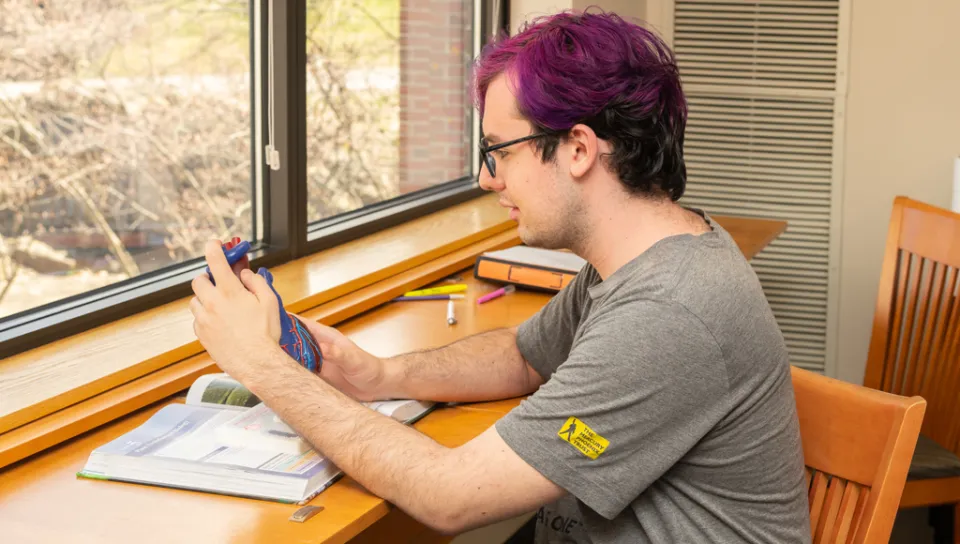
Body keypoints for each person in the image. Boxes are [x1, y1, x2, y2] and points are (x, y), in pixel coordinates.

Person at [189, 9, 811, 543]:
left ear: (576, 149)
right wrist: (378, 376)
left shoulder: (670, 314)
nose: (488, 178)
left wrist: (259, 366)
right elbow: (523, 355)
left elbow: (448, 496)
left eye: (499, 152)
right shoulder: (640, 261)